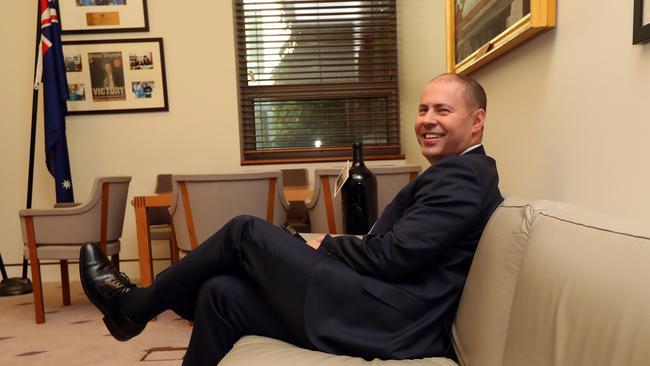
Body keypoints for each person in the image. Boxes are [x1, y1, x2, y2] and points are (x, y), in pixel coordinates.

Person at [79, 73, 503, 366]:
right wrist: (328, 246)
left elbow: (394, 255)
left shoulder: (464, 175)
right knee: (221, 292)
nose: (427, 120)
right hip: (378, 303)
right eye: (423, 108)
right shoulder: (455, 173)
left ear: (476, 121)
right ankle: (144, 307)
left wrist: (330, 245)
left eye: (443, 111)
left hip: (392, 320)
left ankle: (134, 307)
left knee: (245, 231)